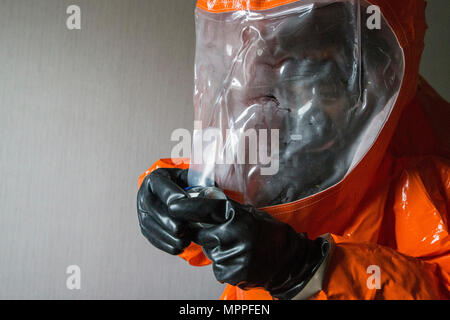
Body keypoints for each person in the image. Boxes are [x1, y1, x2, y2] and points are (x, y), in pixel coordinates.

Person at [137, 0, 450, 300]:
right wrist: (175, 195)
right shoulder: (286, 124)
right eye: (268, 70)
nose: (272, 101)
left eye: (310, 72)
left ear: (369, 74)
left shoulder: (429, 179)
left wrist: (311, 271)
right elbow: (243, 199)